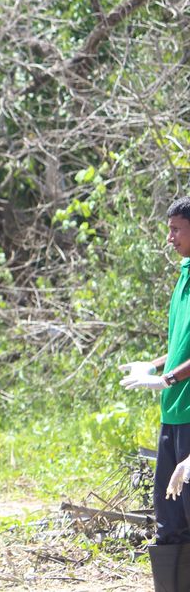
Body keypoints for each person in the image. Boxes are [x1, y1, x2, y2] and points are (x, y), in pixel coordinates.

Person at [119, 196, 190, 588]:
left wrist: (168, 380)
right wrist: (156, 365)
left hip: (188, 409)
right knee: (168, 518)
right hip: (172, 414)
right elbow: (183, 343)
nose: (170, 238)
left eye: (176, 229)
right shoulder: (184, 275)